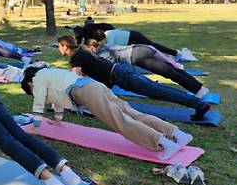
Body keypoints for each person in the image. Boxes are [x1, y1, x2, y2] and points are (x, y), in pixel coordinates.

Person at [21, 65, 194, 160]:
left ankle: (164, 143)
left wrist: (36, 124)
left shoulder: (38, 78)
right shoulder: (52, 73)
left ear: (30, 82)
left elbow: (38, 102)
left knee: (120, 122)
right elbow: (57, 101)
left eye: (31, 89)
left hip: (86, 92)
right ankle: (177, 134)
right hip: (94, 86)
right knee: (132, 114)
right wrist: (58, 120)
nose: (34, 91)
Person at [57, 36, 210, 121]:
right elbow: (91, 73)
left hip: (121, 75)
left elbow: (73, 78)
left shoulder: (77, 56)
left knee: (158, 91)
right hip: (119, 75)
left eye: (59, 46)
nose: (58, 49)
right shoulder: (82, 53)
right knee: (157, 91)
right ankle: (197, 104)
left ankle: (198, 105)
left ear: (64, 46)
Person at [85, 39, 208, 98]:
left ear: (91, 49)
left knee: (171, 73)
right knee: (172, 72)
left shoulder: (101, 54)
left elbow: (111, 71)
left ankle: (197, 91)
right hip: (142, 49)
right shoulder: (105, 48)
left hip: (139, 55)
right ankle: (199, 88)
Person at [91, 29, 197, 62]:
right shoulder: (108, 34)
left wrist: (100, 46)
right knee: (147, 49)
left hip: (133, 36)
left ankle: (177, 53)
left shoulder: (109, 34)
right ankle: (170, 56)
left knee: (153, 46)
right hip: (130, 41)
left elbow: (111, 46)